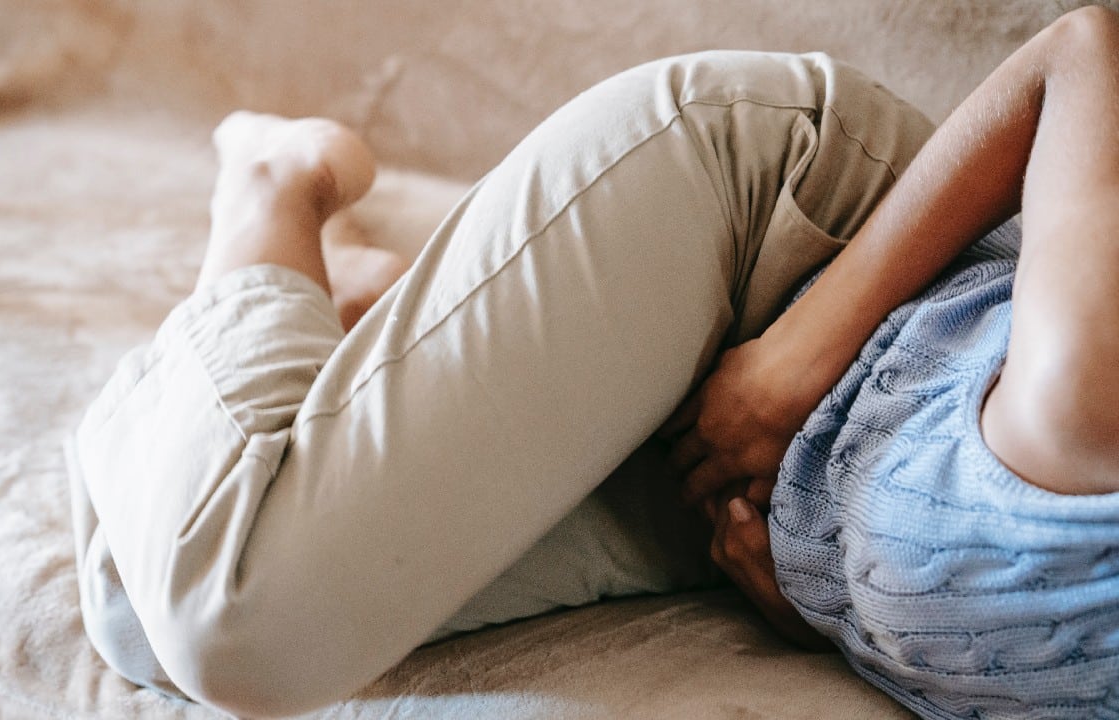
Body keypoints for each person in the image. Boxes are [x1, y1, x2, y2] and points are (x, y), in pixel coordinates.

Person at [66, 5, 1119, 719]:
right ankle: (268, 187)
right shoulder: (1089, 410)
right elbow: (1085, 50)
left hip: (752, 488)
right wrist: (791, 363)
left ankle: (369, 306)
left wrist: (818, 604)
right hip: (783, 244)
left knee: (138, 602)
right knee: (234, 611)